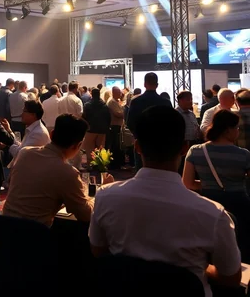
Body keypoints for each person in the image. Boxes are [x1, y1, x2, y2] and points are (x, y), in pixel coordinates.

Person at [89, 105, 242, 296]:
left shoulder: (105, 197)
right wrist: (202, 267)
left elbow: (98, 250)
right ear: (184, 148)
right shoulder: (213, 214)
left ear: (137, 147)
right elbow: (231, 278)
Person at [3, 114, 100, 226]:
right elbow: (85, 215)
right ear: (78, 145)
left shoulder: (24, 153)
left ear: (51, 134)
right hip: (33, 233)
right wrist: (100, 193)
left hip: (3, 228)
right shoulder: (67, 172)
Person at [183, 109, 250, 261]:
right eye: (236, 128)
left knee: (211, 247)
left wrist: (208, 184)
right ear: (227, 131)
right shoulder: (244, 155)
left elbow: (187, 183)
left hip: (209, 202)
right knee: (241, 245)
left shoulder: (196, 151)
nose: (238, 131)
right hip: (239, 204)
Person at [126, 73, 172, 170]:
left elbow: (130, 122)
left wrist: (138, 136)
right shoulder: (165, 102)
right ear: (157, 85)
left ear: (144, 84)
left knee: (141, 170)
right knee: (160, 170)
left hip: (141, 141)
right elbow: (171, 122)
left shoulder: (136, 101)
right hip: (161, 142)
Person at [81, 88, 111, 163]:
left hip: (90, 130)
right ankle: (101, 165)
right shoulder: (104, 105)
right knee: (100, 148)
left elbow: (84, 117)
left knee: (89, 149)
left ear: (91, 94)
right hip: (102, 130)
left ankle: (91, 164)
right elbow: (108, 117)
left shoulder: (87, 105)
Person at [106, 86, 125, 169]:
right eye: (119, 92)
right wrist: (125, 113)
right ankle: (115, 165)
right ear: (115, 92)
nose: (120, 94)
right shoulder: (112, 102)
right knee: (115, 146)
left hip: (116, 126)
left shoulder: (115, 101)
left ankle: (117, 164)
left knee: (117, 145)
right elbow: (118, 114)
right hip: (114, 126)